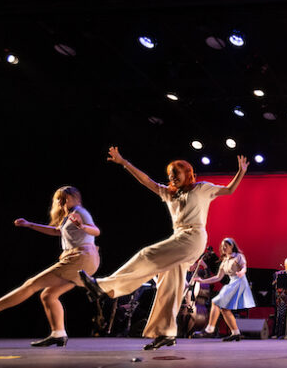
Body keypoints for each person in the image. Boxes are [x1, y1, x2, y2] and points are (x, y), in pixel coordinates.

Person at [79, 147, 247, 350]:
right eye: (170, 175)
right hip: (179, 237)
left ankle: (102, 287)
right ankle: (166, 333)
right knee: (169, 284)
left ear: (187, 172)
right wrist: (124, 162)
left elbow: (228, 190)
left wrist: (241, 173)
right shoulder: (169, 193)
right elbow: (145, 180)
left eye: (176, 174)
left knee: (147, 254)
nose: (172, 178)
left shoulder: (201, 188)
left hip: (193, 237)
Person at [0, 186, 100, 347]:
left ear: (76, 198)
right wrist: (29, 225)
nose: (62, 202)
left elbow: (96, 231)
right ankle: (58, 333)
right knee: (48, 295)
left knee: (31, 285)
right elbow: (57, 231)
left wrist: (82, 226)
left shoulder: (80, 212)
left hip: (80, 258)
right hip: (82, 259)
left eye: (66, 198)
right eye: (59, 199)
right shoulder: (68, 217)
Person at [190, 238, 254, 341]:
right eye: (222, 246)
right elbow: (218, 277)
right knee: (224, 309)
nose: (223, 248)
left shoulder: (238, 256)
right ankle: (236, 333)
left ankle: (209, 330)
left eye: (226, 246)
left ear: (231, 246)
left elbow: (244, 267)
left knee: (216, 302)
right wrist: (202, 281)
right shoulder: (224, 261)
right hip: (232, 283)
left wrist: (242, 272)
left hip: (239, 282)